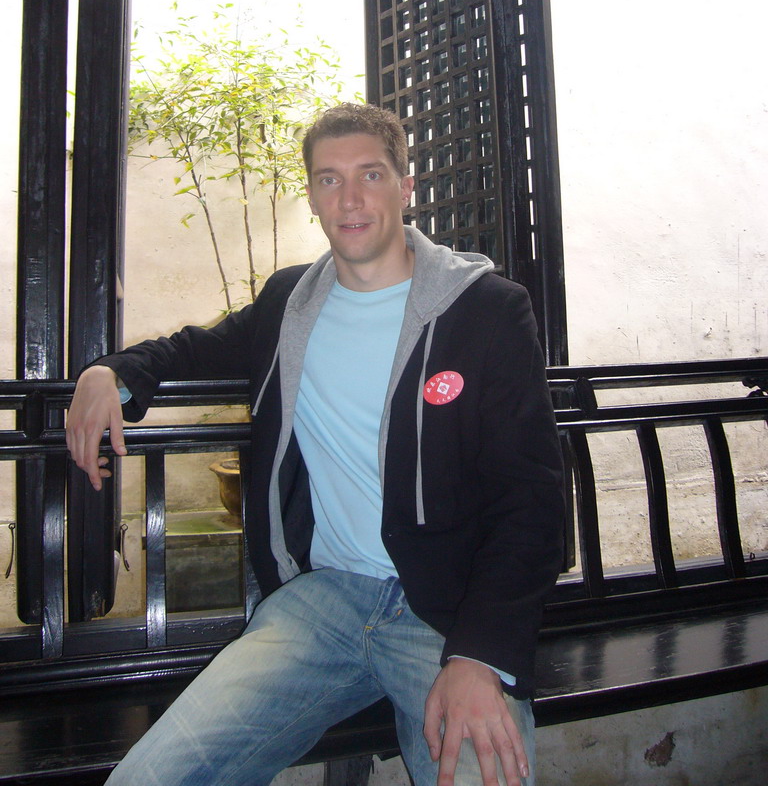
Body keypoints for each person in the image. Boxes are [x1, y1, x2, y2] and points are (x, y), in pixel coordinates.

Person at [66, 103, 564, 786]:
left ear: (404, 187)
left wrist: (479, 656)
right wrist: (111, 373)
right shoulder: (290, 303)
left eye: (370, 174)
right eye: (329, 180)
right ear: (312, 195)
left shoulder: (484, 311)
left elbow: (531, 500)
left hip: (446, 614)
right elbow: (194, 347)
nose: (351, 198)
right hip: (321, 606)